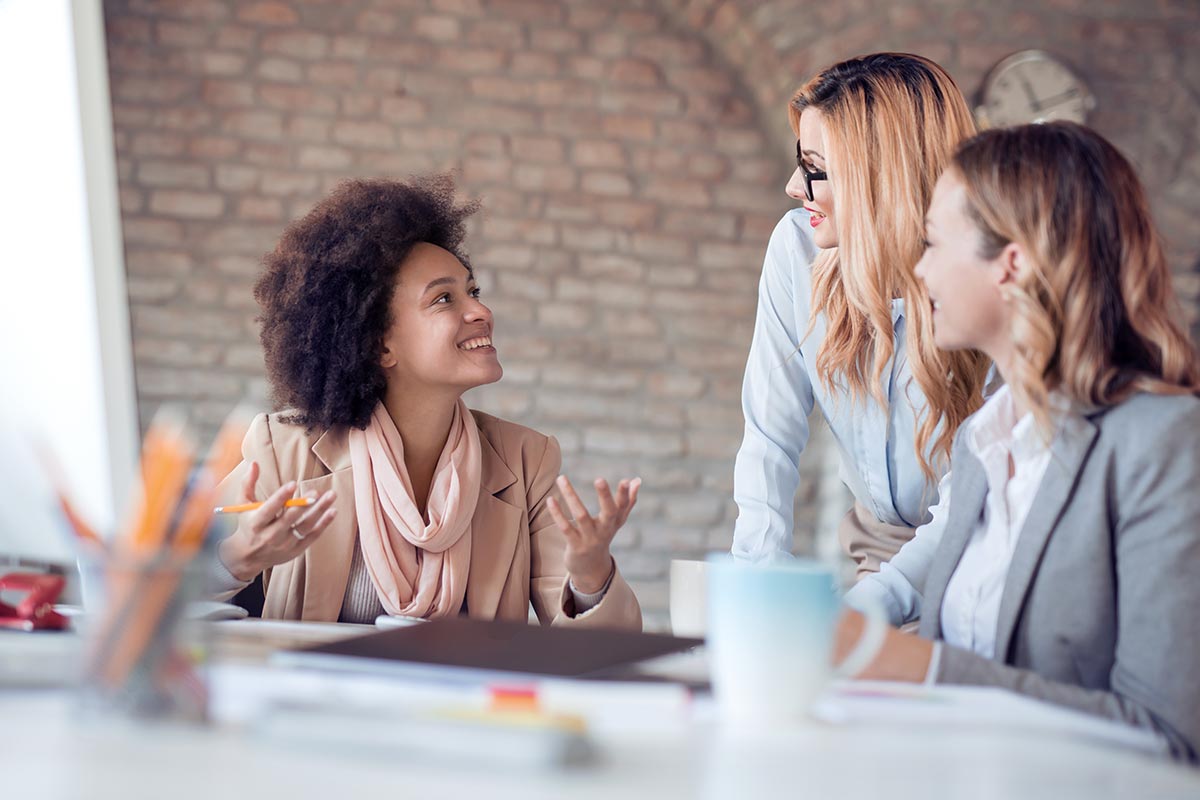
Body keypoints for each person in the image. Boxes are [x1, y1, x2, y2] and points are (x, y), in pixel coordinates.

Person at [836, 122, 1200, 762]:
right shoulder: (984, 443)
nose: (918, 271)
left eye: (931, 243)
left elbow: (1169, 736)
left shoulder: (1165, 445)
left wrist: (921, 671)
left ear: (1012, 263)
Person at [212, 175, 642, 630]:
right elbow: (157, 595)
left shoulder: (525, 461)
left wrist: (591, 577)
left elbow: (600, 643)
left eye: (472, 292)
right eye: (443, 298)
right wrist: (238, 559)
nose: (481, 312)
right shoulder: (284, 453)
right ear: (379, 346)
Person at [732, 53, 992, 578]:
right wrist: (756, 591)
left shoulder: (983, 282)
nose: (792, 187)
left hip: (979, 562)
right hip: (874, 555)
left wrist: (867, 616)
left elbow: (967, 505)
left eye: (815, 170)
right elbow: (769, 437)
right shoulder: (797, 249)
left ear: (882, 179)